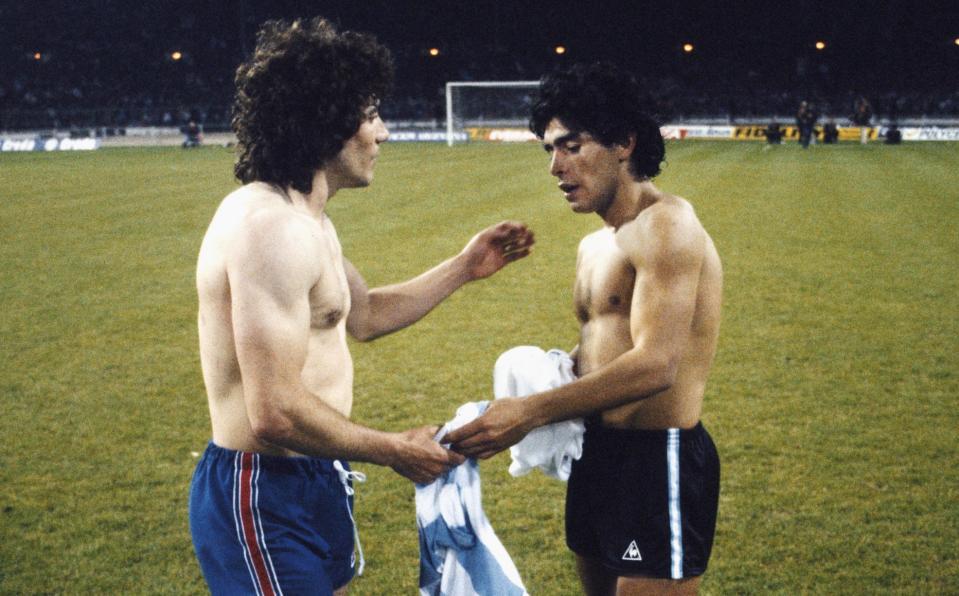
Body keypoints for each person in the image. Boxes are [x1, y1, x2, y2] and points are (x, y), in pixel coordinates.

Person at [189, 17, 534, 596]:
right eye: (372, 115)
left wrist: (464, 267)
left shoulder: (309, 219)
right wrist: (393, 449)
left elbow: (364, 313)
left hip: (316, 474)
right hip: (262, 489)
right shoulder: (269, 228)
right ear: (328, 121)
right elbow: (271, 411)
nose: (384, 133)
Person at [447, 62, 723, 595]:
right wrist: (537, 381)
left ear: (624, 142)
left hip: (655, 458)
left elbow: (655, 365)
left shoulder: (667, 225)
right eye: (549, 149)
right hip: (596, 453)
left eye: (571, 146)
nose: (555, 166)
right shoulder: (594, 243)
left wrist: (528, 413)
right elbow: (604, 344)